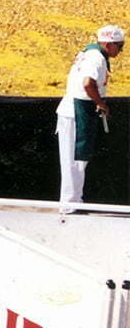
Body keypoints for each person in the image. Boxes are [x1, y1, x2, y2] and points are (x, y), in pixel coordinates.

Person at [56, 25, 124, 213]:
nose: (121, 50)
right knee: (74, 159)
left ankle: (73, 202)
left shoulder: (90, 53)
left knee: (78, 158)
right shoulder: (96, 58)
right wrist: (100, 103)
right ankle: (69, 206)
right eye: (120, 46)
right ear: (109, 44)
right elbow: (88, 84)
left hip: (78, 110)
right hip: (77, 111)